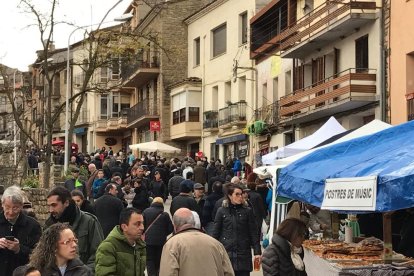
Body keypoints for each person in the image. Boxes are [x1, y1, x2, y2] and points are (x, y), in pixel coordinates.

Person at [159, 208, 234, 276]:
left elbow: (168, 273)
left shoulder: (172, 244)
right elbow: (228, 272)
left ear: (174, 226)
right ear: (193, 222)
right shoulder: (216, 244)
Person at [45, 186, 104, 271]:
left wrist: (83, 272)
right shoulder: (49, 225)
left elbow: (99, 254)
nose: (50, 210)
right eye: (49, 206)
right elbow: (44, 255)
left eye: (54, 205)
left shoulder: (89, 222)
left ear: (66, 203)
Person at [213, 184, 261, 276]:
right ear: (230, 196)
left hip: (243, 253)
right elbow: (216, 232)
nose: (240, 197)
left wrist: (257, 252)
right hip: (227, 253)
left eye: (241, 194)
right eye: (237, 194)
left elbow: (253, 232)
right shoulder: (222, 211)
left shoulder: (247, 211)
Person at [0, 186, 42, 276]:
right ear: (2, 204)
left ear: (21, 206)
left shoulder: (33, 225)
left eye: (15, 208)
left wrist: (19, 249)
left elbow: (39, 255)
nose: (11, 212)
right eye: (7, 207)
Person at [95, 208, 146, 276]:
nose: (142, 227)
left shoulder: (140, 246)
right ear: (124, 227)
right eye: (137, 224)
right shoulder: (108, 246)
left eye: (142, 223)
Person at [142, 197, 173, 276]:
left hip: (148, 240)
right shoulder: (164, 214)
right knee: (159, 259)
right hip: (161, 241)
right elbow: (171, 228)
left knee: (149, 259)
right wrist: (163, 234)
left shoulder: (146, 211)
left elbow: (142, 226)